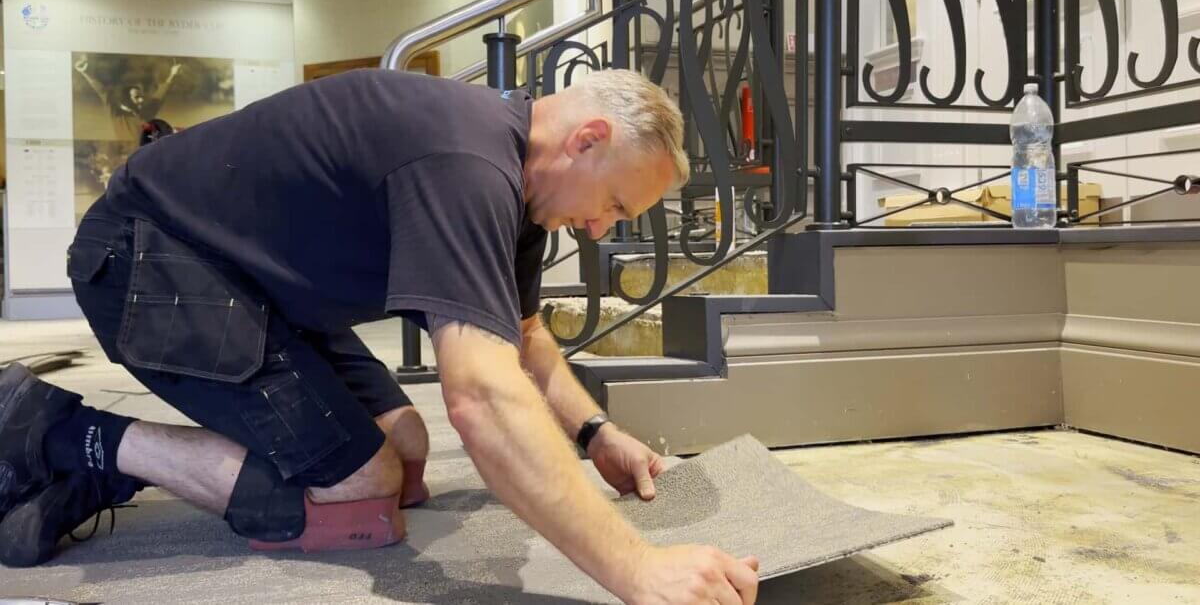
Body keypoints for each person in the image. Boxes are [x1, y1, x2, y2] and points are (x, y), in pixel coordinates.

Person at [0, 68, 760, 604]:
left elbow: (523, 338)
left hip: (260, 290)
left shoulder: (524, 189)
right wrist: (637, 569)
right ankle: (70, 432)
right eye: (615, 205)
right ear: (587, 138)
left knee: (407, 447)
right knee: (361, 497)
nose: (599, 229)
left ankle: (94, 463)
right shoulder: (464, 158)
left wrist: (596, 433)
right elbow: (482, 400)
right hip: (149, 261)